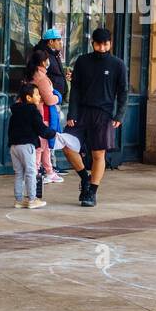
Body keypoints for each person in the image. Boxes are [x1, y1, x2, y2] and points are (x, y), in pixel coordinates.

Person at [63, 28, 129, 207]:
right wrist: (71, 114)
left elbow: (123, 92)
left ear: (110, 43)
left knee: (98, 153)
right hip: (81, 112)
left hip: (104, 114)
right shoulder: (82, 61)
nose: (102, 47)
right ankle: (85, 177)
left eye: (106, 44)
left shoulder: (118, 64)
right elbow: (75, 89)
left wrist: (120, 114)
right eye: (99, 44)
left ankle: (92, 192)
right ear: (92, 43)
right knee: (67, 146)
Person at [9, 83, 59, 209]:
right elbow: (41, 129)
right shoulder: (33, 111)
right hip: (27, 146)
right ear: (29, 98)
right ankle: (32, 199)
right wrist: (52, 133)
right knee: (31, 172)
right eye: (36, 94)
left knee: (19, 173)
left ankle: (18, 200)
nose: (39, 97)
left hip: (14, 147)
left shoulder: (15, 111)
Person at [27, 49, 64, 190]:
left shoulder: (32, 74)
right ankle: (35, 174)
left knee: (45, 147)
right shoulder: (41, 77)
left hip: (37, 114)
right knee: (40, 147)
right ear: (43, 62)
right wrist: (58, 97)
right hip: (44, 116)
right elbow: (49, 100)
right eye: (47, 60)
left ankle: (49, 171)